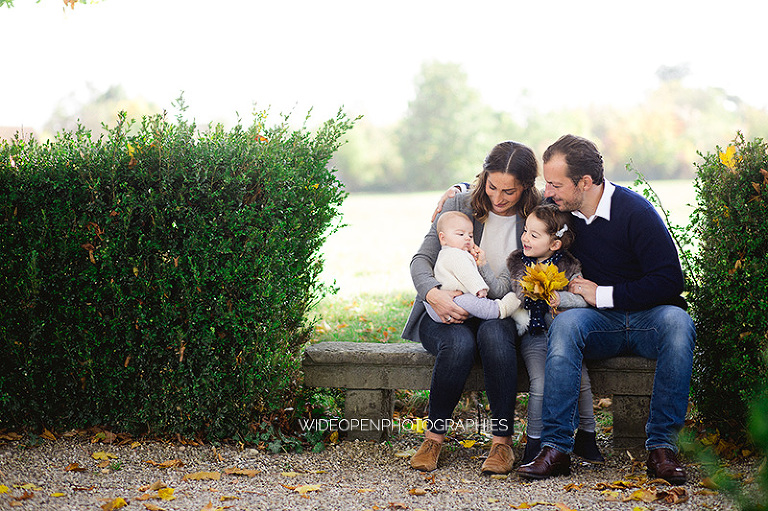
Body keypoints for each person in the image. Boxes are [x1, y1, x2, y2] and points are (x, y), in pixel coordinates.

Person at [516, 135, 695, 484]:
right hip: (598, 323)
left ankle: (661, 449)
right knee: (566, 326)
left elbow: (670, 280)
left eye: (555, 184)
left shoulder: (635, 211)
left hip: (648, 318)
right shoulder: (558, 212)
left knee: (679, 322)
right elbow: (507, 196)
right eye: (546, 183)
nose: (547, 191)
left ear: (584, 183)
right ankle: (556, 448)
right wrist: (458, 189)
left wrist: (605, 295)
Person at [401, 140, 540, 475]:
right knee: (459, 343)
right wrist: (433, 294)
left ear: (526, 187)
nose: (498, 197)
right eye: (492, 186)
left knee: (494, 335)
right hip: (448, 307)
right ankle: (433, 437)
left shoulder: (536, 214)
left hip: (498, 309)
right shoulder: (462, 203)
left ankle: (502, 444)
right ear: (483, 177)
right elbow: (422, 259)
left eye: (510, 191)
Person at [506, 203, 604, 465]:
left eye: (534, 235)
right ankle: (535, 443)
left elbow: (583, 300)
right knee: (539, 383)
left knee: (580, 378)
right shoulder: (518, 263)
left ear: (555, 243)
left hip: (564, 335)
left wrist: (559, 297)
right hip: (534, 334)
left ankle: (587, 436)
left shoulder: (570, 267)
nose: (525, 237)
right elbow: (508, 294)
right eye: (525, 231)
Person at [424, 210, 522, 323]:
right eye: (460, 234)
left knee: (473, 303)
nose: (467, 238)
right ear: (443, 238)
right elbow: (467, 274)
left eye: (470, 235)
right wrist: (479, 288)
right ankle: (499, 309)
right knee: (480, 305)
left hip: (450, 302)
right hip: (454, 298)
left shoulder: (449, 253)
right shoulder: (455, 254)